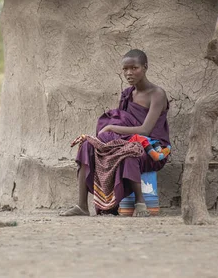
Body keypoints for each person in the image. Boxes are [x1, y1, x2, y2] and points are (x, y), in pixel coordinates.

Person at [60, 49, 170, 217]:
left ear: (145, 67)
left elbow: (145, 130)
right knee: (87, 146)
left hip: (152, 148)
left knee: (129, 151)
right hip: (127, 141)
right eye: (125, 69)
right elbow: (122, 120)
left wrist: (111, 128)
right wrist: (108, 139)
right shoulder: (128, 95)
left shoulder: (157, 94)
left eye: (134, 68)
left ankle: (140, 203)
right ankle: (82, 205)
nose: (129, 73)